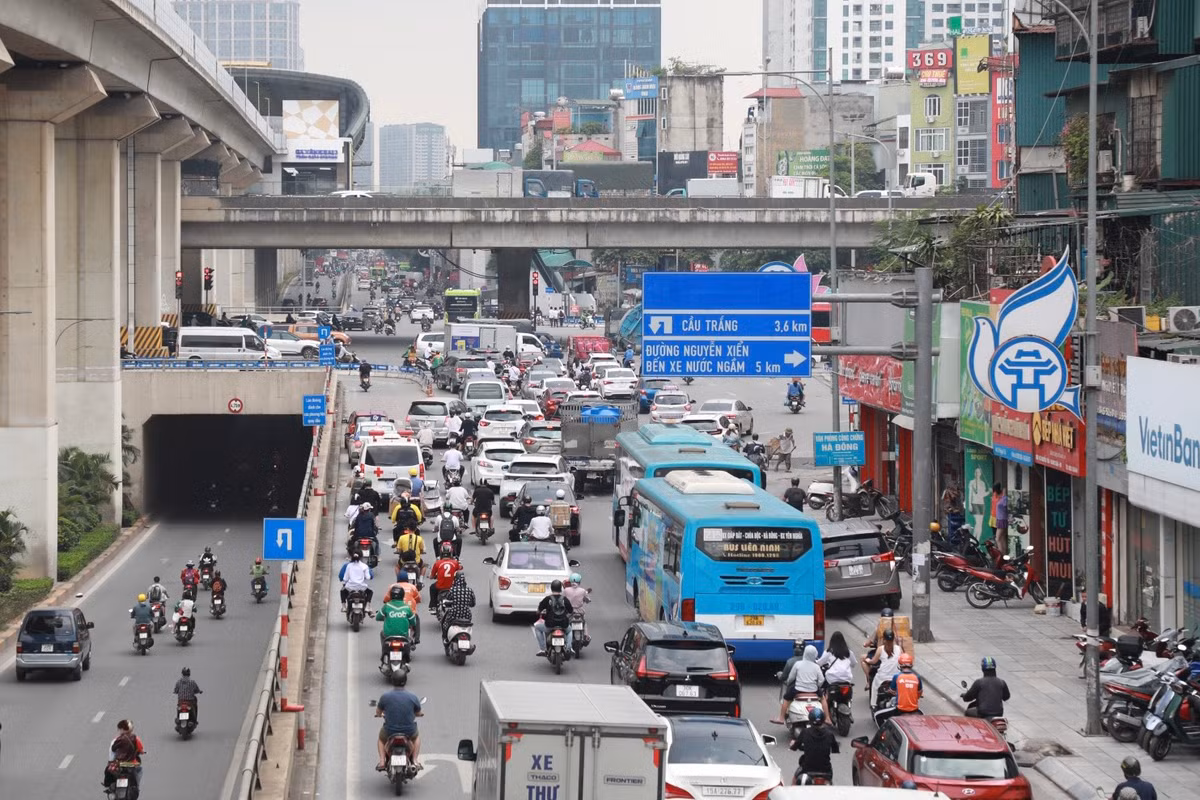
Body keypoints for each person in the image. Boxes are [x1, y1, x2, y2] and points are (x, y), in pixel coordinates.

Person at [774, 643, 827, 724]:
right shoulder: (816, 666)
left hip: (798, 690)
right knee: (823, 698)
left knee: (786, 698)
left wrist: (788, 683)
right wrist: (817, 686)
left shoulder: (798, 664)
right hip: (813, 690)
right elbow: (821, 680)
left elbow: (791, 678)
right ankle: (828, 719)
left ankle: (781, 718)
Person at [375, 687, 423, 772]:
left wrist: (379, 715)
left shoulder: (385, 696)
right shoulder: (412, 697)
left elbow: (378, 712)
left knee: (381, 739)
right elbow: (418, 712)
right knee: (416, 737)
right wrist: (419, 714)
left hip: (390, 731)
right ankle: (415, 760)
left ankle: (382, 761)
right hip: (409, 731)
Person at [794, 708, 839, 779]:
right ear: (823, 720)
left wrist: (793, 745)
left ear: (810, 720)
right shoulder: (830, 734)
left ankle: (791, 790)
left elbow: (795, 746)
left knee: (796, 778)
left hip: (807, 770)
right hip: (826, 771)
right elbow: (835, 749)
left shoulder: (805, 732)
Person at [376, 586, 417, 663]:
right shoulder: (407, 608)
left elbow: (378, 617)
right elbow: (413, 622)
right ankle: (407, 656)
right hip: (403, 635)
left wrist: (386, 617)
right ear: (402, 595)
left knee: (382, 633)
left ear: (391, 595)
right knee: (408, 640)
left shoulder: (387, 606)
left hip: (388, 635)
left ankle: (384, 651)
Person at [533, 580, 574, 656]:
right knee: (570, 630)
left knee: (537, 628)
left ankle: (543, 649)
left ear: (551, 588)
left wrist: (538, 612)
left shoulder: (547, 599)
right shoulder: (565, 599)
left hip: (550, 625)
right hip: (563, 624)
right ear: (561, 589)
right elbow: (571, 611)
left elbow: (539, 610)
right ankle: (569, 648)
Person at [866, 630, 903, 702]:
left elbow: (873, 661)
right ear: (893, 639)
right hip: (896, 677)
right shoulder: (899, 649)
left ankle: (873, 705)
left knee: (874, 686)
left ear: (883, 639)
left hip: (882, 677)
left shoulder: (880, 649)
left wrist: (868, 660)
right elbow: (901, 660)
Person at [439, 571, 476, 642]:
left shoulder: (453, 589)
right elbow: (473, 604)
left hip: (454, 613)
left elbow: (448, 598)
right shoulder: (469, 590)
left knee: (445, 624)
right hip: (467, 614)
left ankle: (445, 638)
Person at [428, 542, 461, 612]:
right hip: (452, 586)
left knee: (432, 588)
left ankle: (433, 606)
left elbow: (432, 575)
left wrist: (431, 576)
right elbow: (460, 568)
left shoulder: (437, 563)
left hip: (440, 586)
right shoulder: (455, 563)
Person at [990, 482, 1008, 551]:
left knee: (998, 538)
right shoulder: (997, 496)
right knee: (1002, 538)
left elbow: (1005, 505)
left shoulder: (1004, 498)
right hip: (1000, 519)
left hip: (1002, 519)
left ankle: (1001, 554)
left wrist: (1004, 495)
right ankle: (1004, 553)